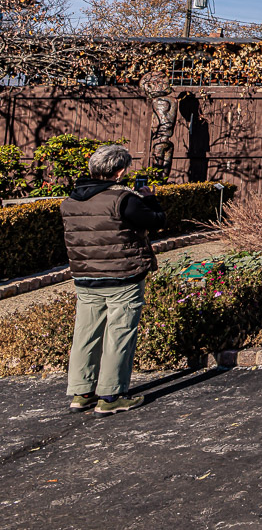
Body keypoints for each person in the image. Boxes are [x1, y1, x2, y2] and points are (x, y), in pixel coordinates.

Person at [60, 144, 166, 416]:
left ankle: (81, 392)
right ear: (119, 171)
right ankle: (111, 395)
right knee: (119, 334)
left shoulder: (71, 200)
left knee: (85, 333)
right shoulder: (123, 199)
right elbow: (157, 221)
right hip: (123, 276)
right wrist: (150, 199)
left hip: (85, 276)